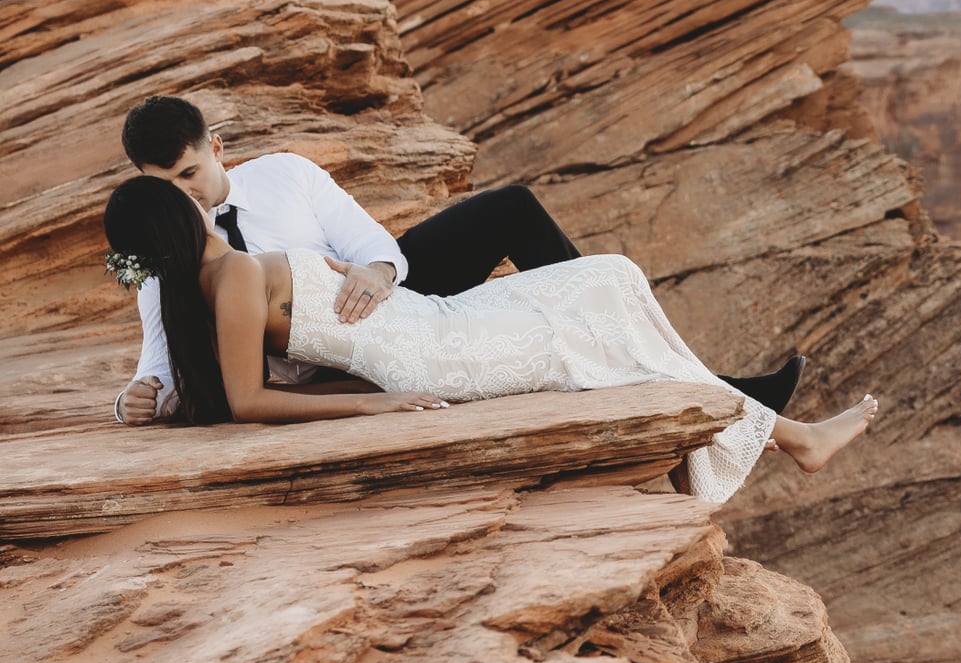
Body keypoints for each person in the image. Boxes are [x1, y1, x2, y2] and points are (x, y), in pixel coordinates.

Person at [102, 178, 878, 509]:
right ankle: (793, 438)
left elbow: (255, 375)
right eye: (182, 197)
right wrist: (378, 409)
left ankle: (748, 444)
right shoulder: (231, 277)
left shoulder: (218, 280)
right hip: (436, 351)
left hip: (428, 323)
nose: (197, 197)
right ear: (176, 222)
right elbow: (247, 401)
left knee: (605, 284)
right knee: (599, 308)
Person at [110, 95, 804, 425]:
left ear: (219, 149)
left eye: (189, 174)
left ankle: (702, 377)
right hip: (313, 362)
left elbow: (376, 244)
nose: (183, 195)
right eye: (161, 184)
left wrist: (374, 273)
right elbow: (162, 350)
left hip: (374, 305)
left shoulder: (287, 175)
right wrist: (133, 397)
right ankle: (696, 387)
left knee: (515, 210)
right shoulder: (170, 250)